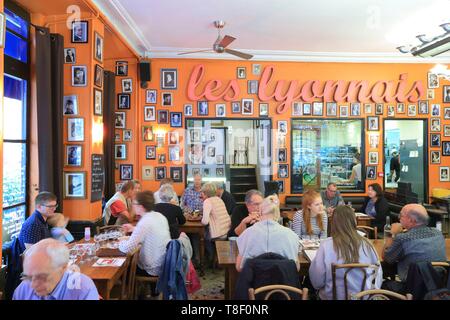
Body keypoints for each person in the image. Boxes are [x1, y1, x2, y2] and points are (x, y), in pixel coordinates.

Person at [309, 205, 382, 300]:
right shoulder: (368, 245)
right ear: (354, 222)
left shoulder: (325, 245)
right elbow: (377, 278)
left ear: (333, 223)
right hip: (363, 298)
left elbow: (317, 282)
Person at [382, 204, 446, 293]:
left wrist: (391, 234)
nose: (399, 217)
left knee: (381, 281)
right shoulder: (438, 233)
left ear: (411, 220)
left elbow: (386, 258)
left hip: (413, 288)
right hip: (437, 283)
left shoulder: (403, 238)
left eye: (401, 215)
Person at [13, 239, 99, 300]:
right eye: (28, 277)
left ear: (64, 268)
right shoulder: (23, 289)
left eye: (42, 277)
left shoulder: (83, 289)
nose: (33, 285)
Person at [236, 195, 299, 272]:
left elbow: (239, 267)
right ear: (278, 214)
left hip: (254, 283)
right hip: (283, 283)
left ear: (260, 212)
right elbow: (296, 268)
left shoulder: (247, 233)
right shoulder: (291, 235)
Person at [119, 191, 171, 277]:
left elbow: (127, 248)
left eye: (134, 203)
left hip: (153, 268)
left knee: (124, 269)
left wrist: (119, 242)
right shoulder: (159, 216)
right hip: (165, 263)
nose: (133, 206)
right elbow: (151, 232)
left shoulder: (144, 222)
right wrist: (133, 228)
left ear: (141, 207)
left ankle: (131, 290)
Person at [200, 183, 231, 264]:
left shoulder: (207, 201)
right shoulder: (219, 199)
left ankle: (209, 259)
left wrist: (201, 218)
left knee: (202, 237)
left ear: (206, 193)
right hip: (227, 231)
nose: (201, 194)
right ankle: (215, 258)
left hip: (219, 234)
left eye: (202, 192)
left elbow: (204, 221)